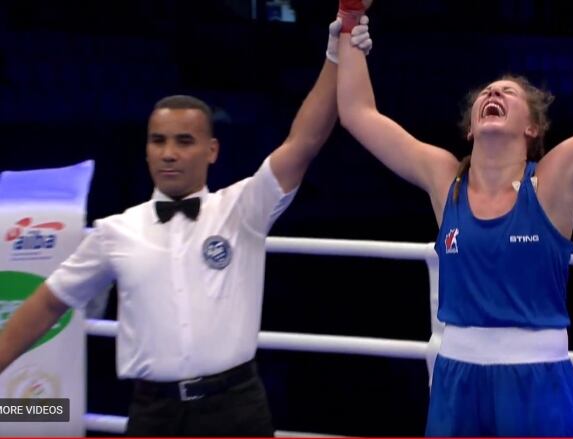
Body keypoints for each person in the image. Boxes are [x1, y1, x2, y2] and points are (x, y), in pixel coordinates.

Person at [336, 0, 573, 436]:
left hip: (536, 381)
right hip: (456, 378)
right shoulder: (445, 179)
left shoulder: (555, 181)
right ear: (470, 128)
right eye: (487, 91)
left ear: (532, 129)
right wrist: (350, 20)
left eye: (508, 93)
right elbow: (358, 114)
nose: (493, 94)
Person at [0, 16, 373, 437]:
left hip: (236, 408)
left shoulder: (243, 209)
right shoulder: (114, 232)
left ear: (212, 150)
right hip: (153, 415)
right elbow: (47, 303)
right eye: (158, 141)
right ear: (145, 150)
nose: (169, 153)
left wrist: (334, 54)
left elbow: (303, 142)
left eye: (184, 141)